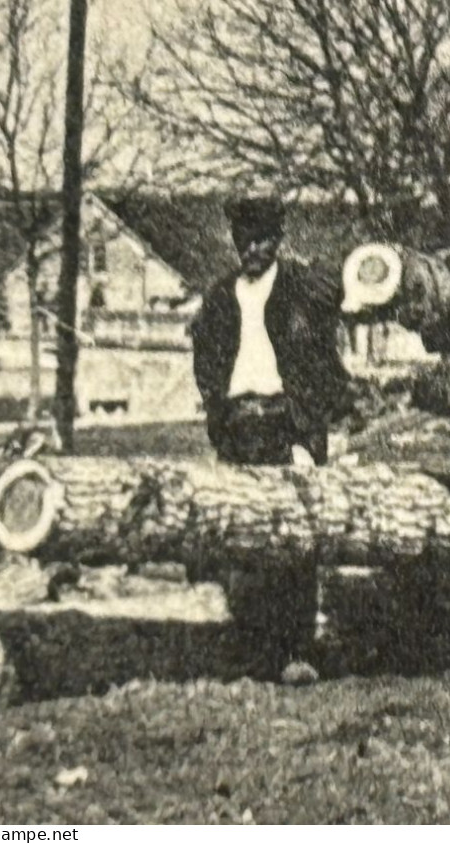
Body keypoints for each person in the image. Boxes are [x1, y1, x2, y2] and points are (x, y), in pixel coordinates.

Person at [190, 194, 353, 683]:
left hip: (288, 421)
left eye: (262, 240)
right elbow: (206, 364)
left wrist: (311, 431)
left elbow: (324, 363)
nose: (252, 250)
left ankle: (295, 649)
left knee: (294, 540)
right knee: (244, 537)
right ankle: (253, 647)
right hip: (241, 423)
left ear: (278, 240)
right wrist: (219, 415)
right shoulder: (220, 299)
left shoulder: (303, 290)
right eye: (244, 241)